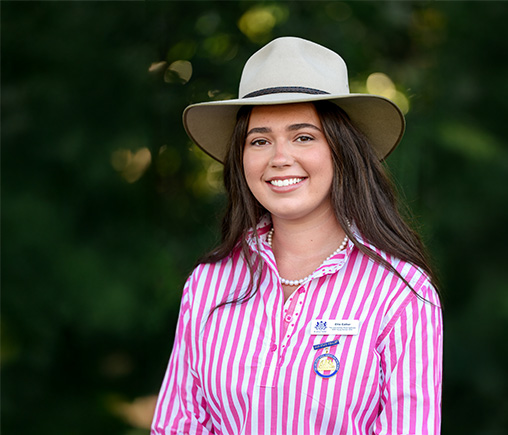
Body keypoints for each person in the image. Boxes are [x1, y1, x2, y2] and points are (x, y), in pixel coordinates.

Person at [151, 36, 442, 435]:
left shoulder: (401, 293)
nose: (279, 158)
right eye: (259, 140)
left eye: (303, 136)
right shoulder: (207, 285)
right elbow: (176, 426)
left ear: (342, 150)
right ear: (241, 157)